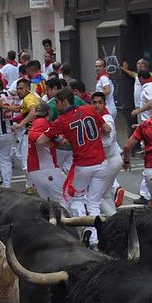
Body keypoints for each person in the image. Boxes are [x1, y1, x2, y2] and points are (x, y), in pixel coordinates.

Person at [40, 88, 110, 246]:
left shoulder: (62, 120)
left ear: (65, 102)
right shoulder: (89, 109)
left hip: (83, 165)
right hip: (101, 162)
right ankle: (95, 239)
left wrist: (59, 141)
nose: (56, 106)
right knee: (94, 202)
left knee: (75, 197)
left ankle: (85, 230)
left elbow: (41, 141)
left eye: (57, 103)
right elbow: (107, 129)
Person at [92, 92, 125, 215]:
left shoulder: (107, 119)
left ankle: (114, 218)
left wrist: (92, 138)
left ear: (105, 103)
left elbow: (107, 142)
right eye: (94, 102)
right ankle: (115, 219)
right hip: (110, 160)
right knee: (105, 194)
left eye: (100, 102)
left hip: (110, 161)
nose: (97, 105)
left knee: (95, 196)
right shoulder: (97, 116)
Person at [25, 103, 65, 204]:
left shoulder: (36, 122)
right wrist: (55, 140)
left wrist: (55, 140)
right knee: (62, 200)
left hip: (36, 170)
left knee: (47, 203)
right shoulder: (42, 122)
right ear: (49, 113)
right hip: (46, 169)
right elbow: (34, 136)